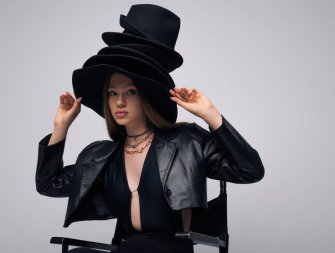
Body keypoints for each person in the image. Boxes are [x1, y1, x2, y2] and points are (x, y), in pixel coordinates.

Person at [35, 4, 265, 253]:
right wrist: (61, 128)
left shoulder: (187, 141)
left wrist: (213, 117)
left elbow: (250, 171)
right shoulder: (101, 156)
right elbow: (49, 184)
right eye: (113, 93)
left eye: (130, 92)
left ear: (147, 97)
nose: (119, 101)